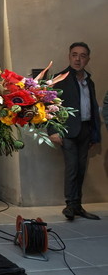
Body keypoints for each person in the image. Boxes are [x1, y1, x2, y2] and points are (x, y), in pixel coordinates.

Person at [48, 42, 101, 221]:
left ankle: (77, 205)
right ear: (69, 56)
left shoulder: (89, 81)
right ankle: (70, 205)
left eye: (83, 55)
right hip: (67, 131)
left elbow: (92, 108)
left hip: (85, 130)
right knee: (72, 168)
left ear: (88, 59)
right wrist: (52, 131)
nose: (78, 59)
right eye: (75, 55)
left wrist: (95, 134)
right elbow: (49, 106)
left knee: (80, 168)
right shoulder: (59, 78)